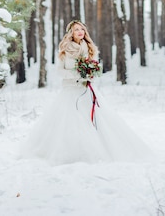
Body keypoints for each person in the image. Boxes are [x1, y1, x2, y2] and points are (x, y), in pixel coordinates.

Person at [20, 20, 151, 165]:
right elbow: (60, 71)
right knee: (68, 122)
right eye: (76, 29)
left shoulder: (90, 48)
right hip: (69, 90)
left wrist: (90, 75)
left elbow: (95, 68)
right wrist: (76, 75)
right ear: (70, 32)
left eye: (82, 29)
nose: (80, 31)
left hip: (86, 90)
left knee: (96, 121)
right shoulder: (64, 50)